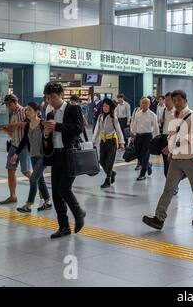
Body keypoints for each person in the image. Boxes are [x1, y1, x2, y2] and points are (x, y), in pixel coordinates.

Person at [142, 90, 193, 230]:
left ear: (185, 100)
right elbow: (172, 135)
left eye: (179, 100)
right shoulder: (173, 115)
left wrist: (172, 145)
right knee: (168, 189)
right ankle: (159, 218)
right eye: (174, 100)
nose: (176, 103)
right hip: (175, 159)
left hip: (190, 158)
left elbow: (191, 136)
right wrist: (168, 147)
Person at [42, 82, 86, 239]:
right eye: (47, 98)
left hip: (70, 154)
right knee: (55, 193)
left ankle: (79, 212)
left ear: (61, 95)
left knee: (64, 188)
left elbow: (78, 128)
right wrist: (46, 134)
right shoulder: (49, 114)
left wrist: (58, 126)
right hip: (56, 156)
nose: (50, 101)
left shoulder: (72, 108)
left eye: (53, 97)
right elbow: (47, 139)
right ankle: (64, 227)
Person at [10, 102, 51, 213]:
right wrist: (16, 153)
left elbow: (49, 139)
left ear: (37, 112)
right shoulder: (27, 125)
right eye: (26, 110)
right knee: (40, 179)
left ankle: (28, 205)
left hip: (43, 156)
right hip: (33, 155)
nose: (27, 112)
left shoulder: (42, 124)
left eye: (29, 110)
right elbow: (24, 141)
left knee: (33, 179)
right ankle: (47, 201)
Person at [0, 94, 32, 205]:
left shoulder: (25, 111)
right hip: (14, 145)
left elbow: (30, 124)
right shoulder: (12, 114)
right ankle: (13, 196)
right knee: (10, 169)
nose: (8, 107)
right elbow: (14, 132)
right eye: (7, 105)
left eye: (9, 104)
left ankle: (42, 190)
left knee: (26, 171)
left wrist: (16, 124)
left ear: (14, 101)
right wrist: (7, 130)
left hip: (23, 147)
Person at [93, 99, 125, 189]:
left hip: (112, 142)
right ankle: (112, 173)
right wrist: (93, 141)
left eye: (106, 106)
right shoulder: (100, 116)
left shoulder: (113, 118)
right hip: (103, 142)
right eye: (104, 106)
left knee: (109, 162)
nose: (104, 108)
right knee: (102, 161)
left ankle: (108, 180)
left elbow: (118, 130)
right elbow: (97, 129)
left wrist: (121, 142)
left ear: (110, 107)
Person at [130, 97, 160, 181]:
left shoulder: (152, 115)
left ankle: (142, 174)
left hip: (148, 137)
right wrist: (133, 135)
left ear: (149, 104)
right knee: (138, 155)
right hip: (138, 136)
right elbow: (134, 125)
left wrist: (154, 139)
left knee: (145, 155)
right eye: (142, 103)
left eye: (145, 103)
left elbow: (156, 128)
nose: (143, 104)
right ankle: (148, 165)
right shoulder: (138, 113)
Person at [158, 93, 178, 196]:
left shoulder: (177, 112)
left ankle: (174, 186)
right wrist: (161, 122)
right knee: (166, 166)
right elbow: (161, 125)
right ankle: (172, 185)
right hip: (164, 138)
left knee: (172, 165)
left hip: (173, 140)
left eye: (168, 100)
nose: (166, 102)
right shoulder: (164, 111)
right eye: (165, 100)